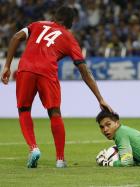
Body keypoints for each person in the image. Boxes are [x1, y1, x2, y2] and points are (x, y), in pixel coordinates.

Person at [0, 6, 112, 168]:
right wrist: (100, 98)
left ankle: (34, 148)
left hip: (25, 69)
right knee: (54, 112)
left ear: (54, 17)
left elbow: (16, 37)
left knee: (24, 110)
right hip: (47, 72)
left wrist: (7, 66)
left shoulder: (37, 25)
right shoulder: (69, 38)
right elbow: (83, 69)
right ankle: (60, 159)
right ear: (71, 22)